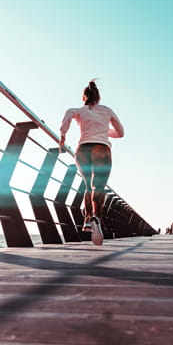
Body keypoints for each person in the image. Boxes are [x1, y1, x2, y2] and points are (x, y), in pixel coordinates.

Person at [59, 80, 124, 245]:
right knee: (99, 187)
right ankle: (96, 218)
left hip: (82, 149)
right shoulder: (107, 110)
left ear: (84, 97)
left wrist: (63, 136)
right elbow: (120, 132)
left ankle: (87, 219)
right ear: (98, 97)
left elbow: (68, 115)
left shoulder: (78, 110)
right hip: (101, 148)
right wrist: (104, 131)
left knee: (87, 185)